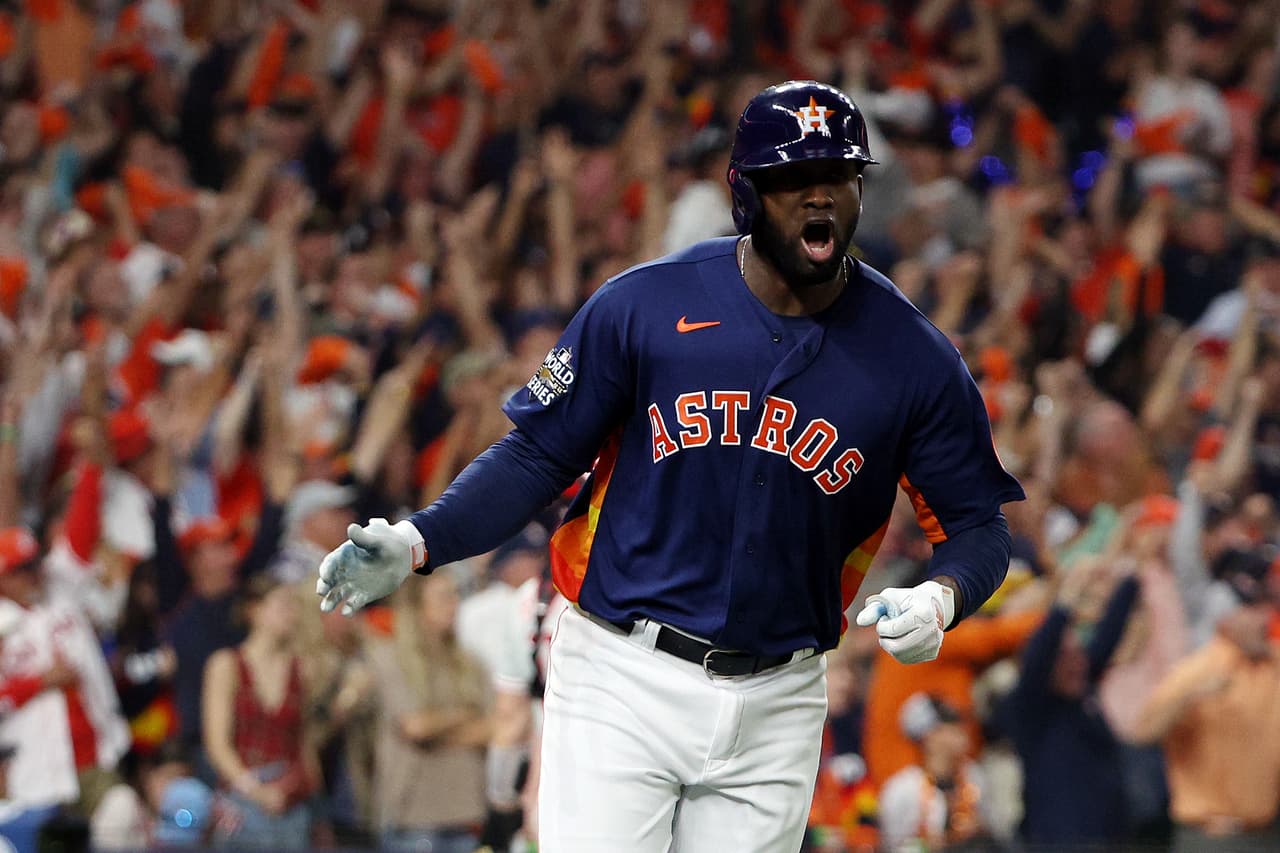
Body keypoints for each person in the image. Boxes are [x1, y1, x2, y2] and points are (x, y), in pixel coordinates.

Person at [316, 80, 1024, 852]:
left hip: (781, 696)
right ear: (746, 193)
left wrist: (943, 597)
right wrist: (423, 541)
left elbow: (977, 527)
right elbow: (538, 453)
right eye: (792, 180)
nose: (818, 199)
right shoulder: (646, 305)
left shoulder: (912, 355)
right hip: (623, 672)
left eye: (838, 178)